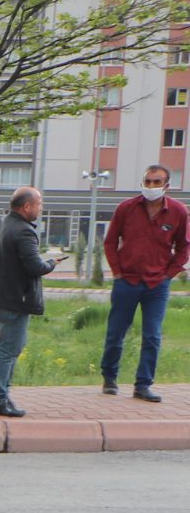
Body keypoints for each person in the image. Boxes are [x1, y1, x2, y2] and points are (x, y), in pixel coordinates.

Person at [100, 163, 187, 401]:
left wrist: (169, 274)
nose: (151, 186)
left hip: (157, 285)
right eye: (148, 181)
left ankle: (143, 385)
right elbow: (110, 242)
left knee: (152, 336)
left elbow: (184, 247)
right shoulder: (126, 208)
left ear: (166, 186)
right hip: (126, 282)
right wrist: (117, 271)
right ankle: (109, 378)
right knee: (116, 333)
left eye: (156, 182)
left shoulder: (178, 212)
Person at [0, 187, 60, 417]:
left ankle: (3, 395)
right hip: (14, 299)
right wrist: (52, 263)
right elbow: (35, 267)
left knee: (10, 347)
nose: (41, 208)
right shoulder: (24, 231)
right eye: (39, 204)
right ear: (26, 206)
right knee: (8, 350)